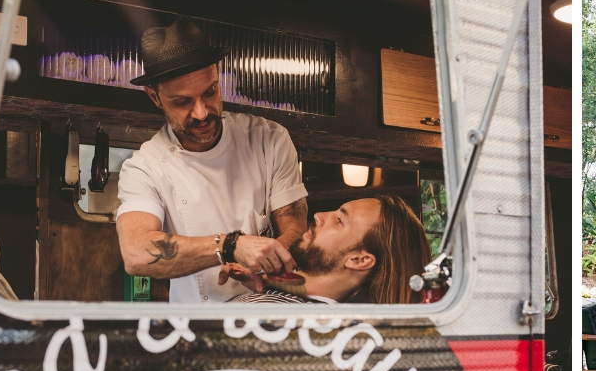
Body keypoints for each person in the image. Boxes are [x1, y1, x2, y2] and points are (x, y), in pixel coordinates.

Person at [114, 19, 309, 303]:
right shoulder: (145, 168)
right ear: (155, 97)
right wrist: (230, 246)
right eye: (182, 102)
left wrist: (264, 262)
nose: (202, 112)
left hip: (271, 312)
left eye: (210, 92)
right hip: (197, 329)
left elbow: (294, 225)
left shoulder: (269, 139)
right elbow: (136, 254)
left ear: (217, 76)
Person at [229, 195, 429, 304]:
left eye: (339, 220)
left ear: (359, 260)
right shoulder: (290, 301)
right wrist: (265, 280)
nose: (318, 215)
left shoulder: (290, 323)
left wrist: (225, 244)